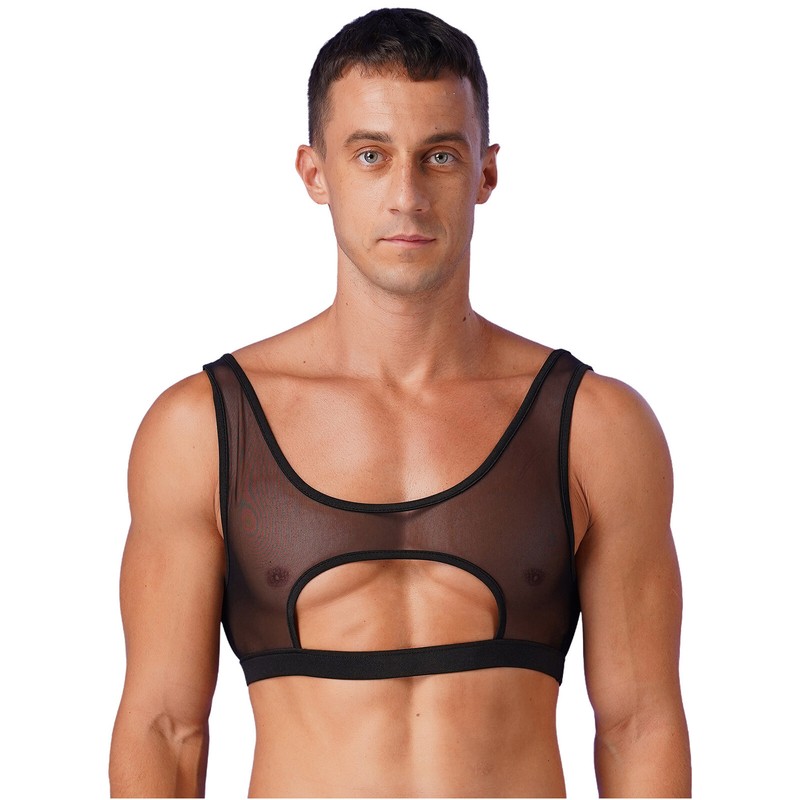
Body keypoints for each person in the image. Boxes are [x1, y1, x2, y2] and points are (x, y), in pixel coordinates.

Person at [109, 7, 690, 797]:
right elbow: (165, 728)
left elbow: (638, 726)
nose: (407, 196)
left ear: (485, 173)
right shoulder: (202, 430)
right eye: (371, 155)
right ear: (315, 172)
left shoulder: (596, 426)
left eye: (439, 156)